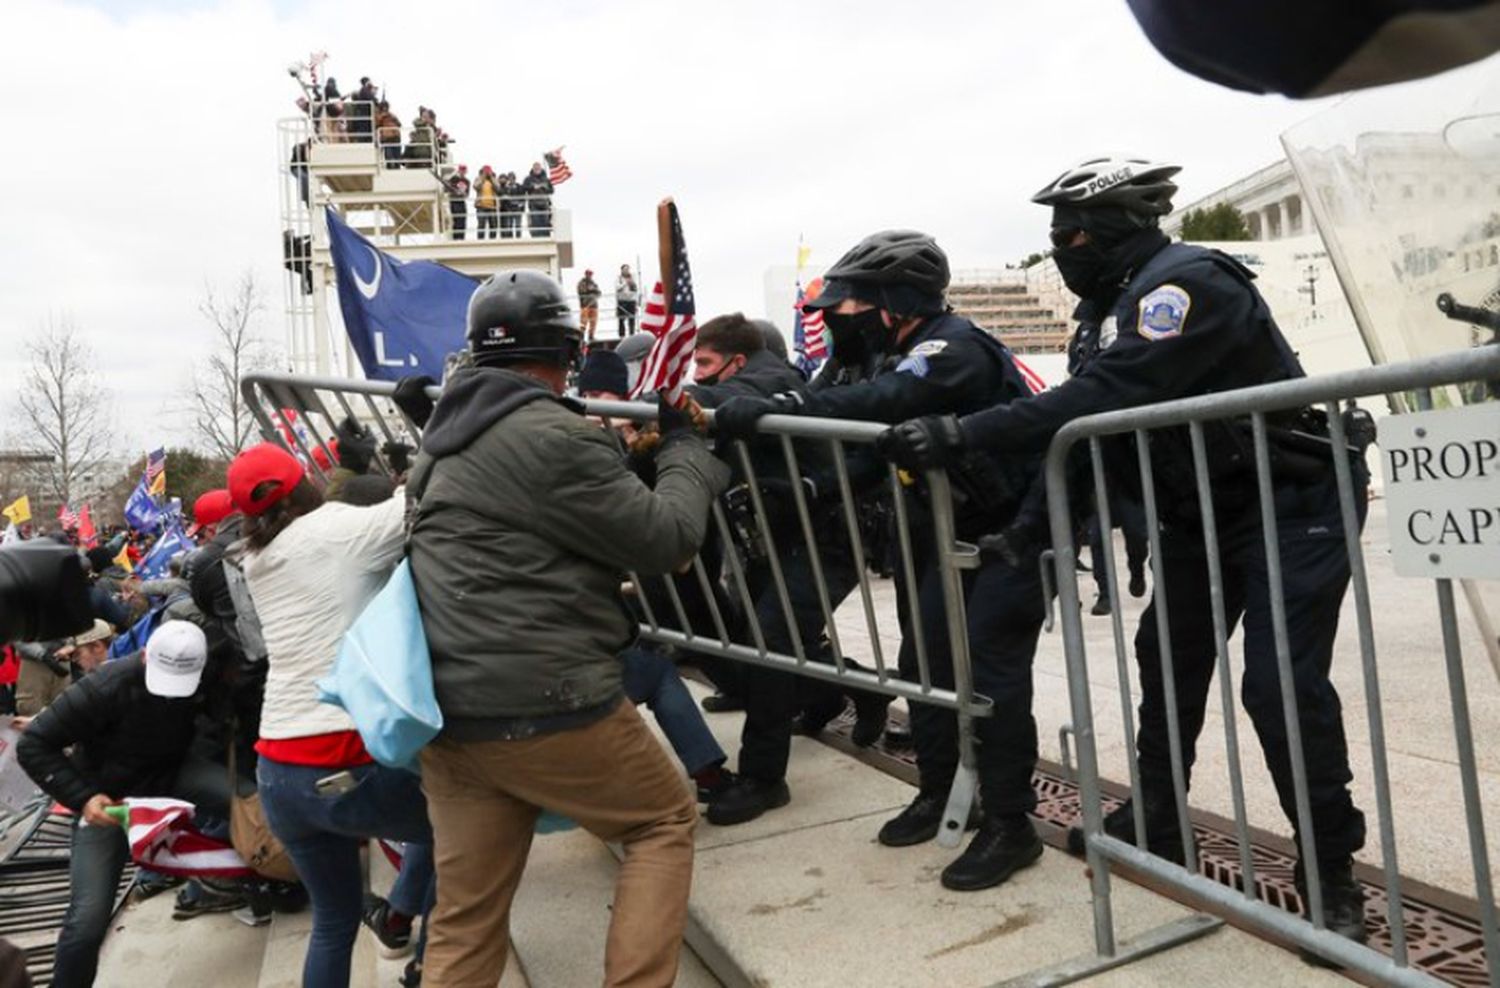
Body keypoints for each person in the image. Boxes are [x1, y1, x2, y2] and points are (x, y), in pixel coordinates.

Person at [879, 156, 1371, 945]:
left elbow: (1111, 395)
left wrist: (966, 431)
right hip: (1195, 512)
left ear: (1114, 227)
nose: (1062, 247)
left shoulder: (1190, 283)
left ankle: (1329, 866)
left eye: (1069, 232)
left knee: (1278, 685)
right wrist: (1029, 533)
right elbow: (1086, 446)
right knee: (1165, 663)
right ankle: (1158, 813)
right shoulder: (1104, 309)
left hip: (1289, 504)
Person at [407, 269, 729, 986]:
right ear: (568, 349)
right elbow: (667, 540)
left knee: (465, 915)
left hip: (449, 710)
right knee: (660, 822)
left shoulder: (439, 439)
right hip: (546, 698)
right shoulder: (557, 435)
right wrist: (685, 453)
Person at [713, 231, 1047, 890]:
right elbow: (882, 447)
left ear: (892, 302)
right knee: (921, 668)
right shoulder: (900, 352)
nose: (838, 318)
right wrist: (814, 488)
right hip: (937, 539)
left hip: (1007, 539)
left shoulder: (951, 348)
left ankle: (1012, 824)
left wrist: (781, 406)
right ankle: (940, 791)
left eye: (849, 304)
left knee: (989, 679)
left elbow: (885, 403)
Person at [229, 442, 434, 988]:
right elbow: (422, 494)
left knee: (334, 921)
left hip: (277, 770)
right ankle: (430, 971)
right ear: (302, 484)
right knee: (457, 827)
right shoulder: (336, 530)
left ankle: (405, 934)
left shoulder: (255, 559)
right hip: (341, 754)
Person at [686, 314, 885, 826]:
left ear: (737, 359)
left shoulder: (770, 380)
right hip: (782, 537)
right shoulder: (748, 379)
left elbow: (733, 398)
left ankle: (763, 777)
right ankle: (858, 689)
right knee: (784, 640)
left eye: (705, 362)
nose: (699, 373)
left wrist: (670, 400)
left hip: (830, 537)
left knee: (771, 641)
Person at [17, 621, 228, 988]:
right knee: (87, 920)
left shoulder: (209, 669)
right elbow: (33, 744)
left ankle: (279, 878)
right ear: (145, 656)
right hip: (111, 799)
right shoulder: (104, 686)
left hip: (173, 771)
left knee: (248, 799)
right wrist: (84, 799)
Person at [522, 162, 553, 237]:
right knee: (535, 221)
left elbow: (552, 190)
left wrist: (545, 188)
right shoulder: (528, 179)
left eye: (538, 167)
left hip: (544, 204)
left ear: (541, 168)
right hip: (534, 204)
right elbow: (523, 188)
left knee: (545, 221)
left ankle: (546, 236)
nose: (537, 169)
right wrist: (533, 187)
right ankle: (536, 236)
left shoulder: (546, 179)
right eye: (535, 167)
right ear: (533, 168)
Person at [445, 165, 471, 241]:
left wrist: (463, 193)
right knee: (456, 220)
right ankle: (456, 237)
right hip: (454, 200)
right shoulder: (454, 179)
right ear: (459, 170)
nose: (463, 172)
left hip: (461, 201)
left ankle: (462, 237)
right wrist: (455, 191)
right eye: (461, 170)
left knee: (463, 219)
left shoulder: (467, 181)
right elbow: (448, 188)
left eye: (464, 170)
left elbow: (467, 194)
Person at [498, 171, 525, 239]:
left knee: (518, 225)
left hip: (517, 208)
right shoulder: (506, 187)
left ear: (514, 178)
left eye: (512, 178)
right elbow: (502, 195)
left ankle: (518, 238)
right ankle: (510, 239)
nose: (511, 179)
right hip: (509, 208)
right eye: (509, 178)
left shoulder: (519, 186)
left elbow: (523, 197)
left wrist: (521, 206)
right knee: (509, 225)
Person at [577, 269, 602, 342]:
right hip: (585, 305)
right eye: (588, 274)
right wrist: (592, 290)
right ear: (585, 274)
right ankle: (581, 337)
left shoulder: (594, 283)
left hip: (594, 305)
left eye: (590, 274)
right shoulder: (581, 283)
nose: (589, 276)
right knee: (583, 322)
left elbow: (599, 293)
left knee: (593, 322)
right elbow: (582, 291)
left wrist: (592, 290)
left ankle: (591, 336)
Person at [375, 101, 402, 168]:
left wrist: (392, 117)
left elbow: (399, 124)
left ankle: (397, 166)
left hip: (395, 136)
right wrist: (383, 116)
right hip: (386, 137)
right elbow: (377, 124)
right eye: (384, 107)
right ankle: (390, 166)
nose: (385, 109)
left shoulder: (392, 115)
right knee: (388, 154)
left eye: (386, 107)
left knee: (397, 154)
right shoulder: (378, 115)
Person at [616, 265, 639, 336]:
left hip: (631, 300)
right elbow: (617, 287)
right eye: (625, 269)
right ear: (622, 270)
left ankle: (632, 334)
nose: (626, 271)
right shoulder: (619, 278)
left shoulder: (632, 278)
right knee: (621, 320)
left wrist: (631, 282)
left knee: (632, 319)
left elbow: (635, 288)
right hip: (622, 300)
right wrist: (625, 283)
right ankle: (621, 335)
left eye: (627, 269)